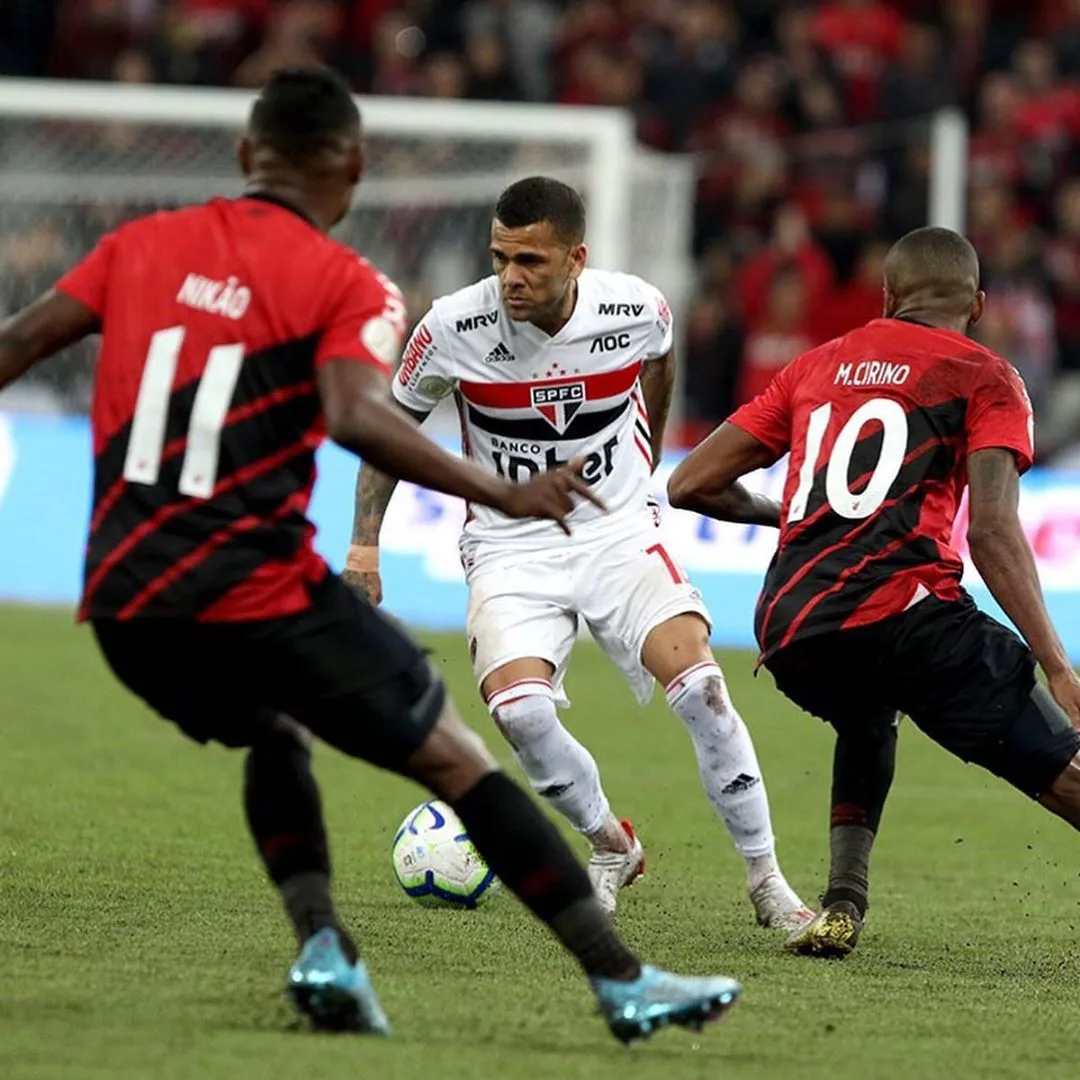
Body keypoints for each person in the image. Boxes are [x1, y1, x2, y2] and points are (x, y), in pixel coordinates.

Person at [0, 66, 742, 1041]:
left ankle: (323, 948)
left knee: (273, 732)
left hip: (125, 597)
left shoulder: (134, 248)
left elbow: (17, 342)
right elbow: (358, 415)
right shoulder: (346, 282)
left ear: (240, 155)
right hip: (253, 586)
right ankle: (622, 981)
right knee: (457, 758)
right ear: (350, 168)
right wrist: (500, 489)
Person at [344, 175, 812, 930]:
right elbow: (387, 430)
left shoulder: (634, 307)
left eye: (529, 260)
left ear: (576, 259)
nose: (509, 277)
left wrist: (647, 460)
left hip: (616, 533)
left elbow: (660, 357)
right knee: (520, 712)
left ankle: (768, 884)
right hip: (508, 546)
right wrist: (365, 546)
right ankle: (609, 844)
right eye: (499, 258)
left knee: (703, 689)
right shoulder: (451, 328)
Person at [667, 225, 1080, 958]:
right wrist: (1055, 660)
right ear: (978, 305)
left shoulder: (814, 366)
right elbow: (991, 531)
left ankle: (841, 905)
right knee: (1060, 765)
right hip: (904, 614)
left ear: (888, 299)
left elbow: (689, 481)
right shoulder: (983, 374)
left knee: (865, 713)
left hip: (793, 630)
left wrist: (786, 514)